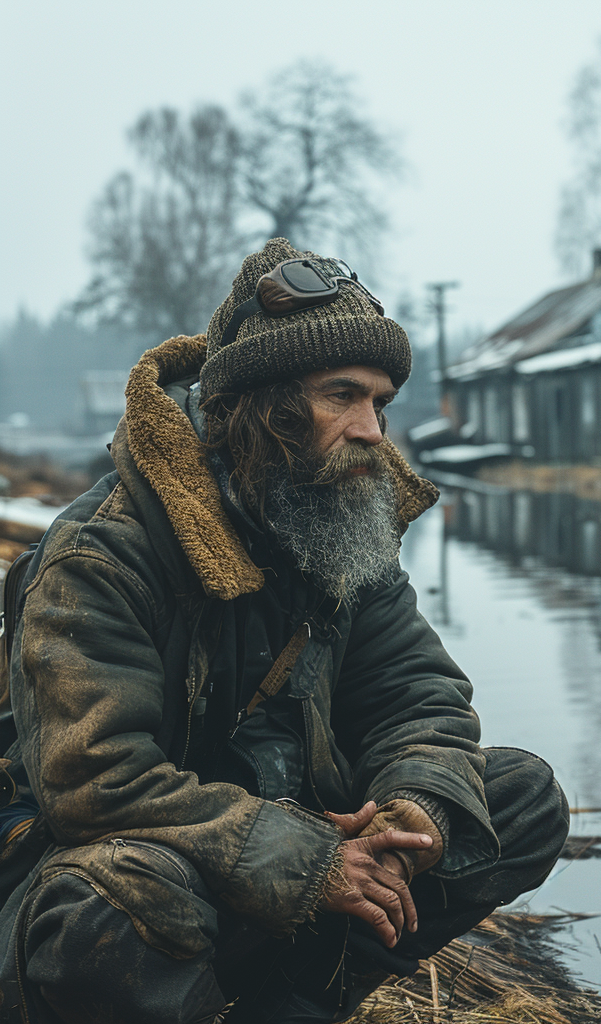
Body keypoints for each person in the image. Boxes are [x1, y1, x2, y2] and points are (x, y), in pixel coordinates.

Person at [0, 238, 569, 1024]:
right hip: (126, 873)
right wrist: (310, 861)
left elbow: (418, 698)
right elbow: (97, 785)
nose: (373, 430)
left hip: (291, 862)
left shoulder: (335, 526)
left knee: (517, 797)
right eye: (344, 394)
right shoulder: (103, 555)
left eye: (381, 402)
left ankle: (295, 1006)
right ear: (265, 408)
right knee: (121, 900)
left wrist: (416, 807)